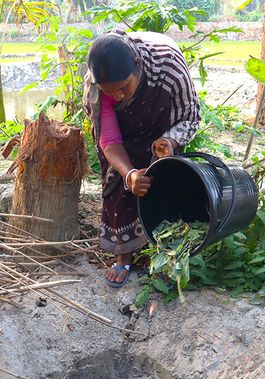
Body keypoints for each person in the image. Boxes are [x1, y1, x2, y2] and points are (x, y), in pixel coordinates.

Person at [84, 30, 201, 288]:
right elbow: (109, 139)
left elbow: (190, 117)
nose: (118, 97)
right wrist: (129, 174)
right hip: (121, 136)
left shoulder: (170, 69)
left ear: (138, 65)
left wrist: (169, 141)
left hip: (162, 124)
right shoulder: (95, 85)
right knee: (116, 178)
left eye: (124, 87)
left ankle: (163, 251)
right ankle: (124, 252)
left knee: (163, 177)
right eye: (110, 92)